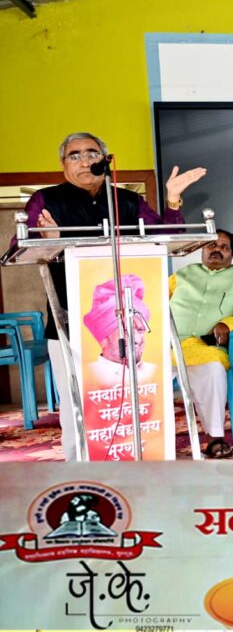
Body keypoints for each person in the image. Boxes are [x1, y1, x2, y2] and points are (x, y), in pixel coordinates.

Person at [16, 132, 205, 461]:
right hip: (69, 323)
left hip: (132, 322)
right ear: (63, 165)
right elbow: (19, 249)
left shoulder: (126, 201)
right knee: (78, 405)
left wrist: (173, 200)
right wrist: (50, 241)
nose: (84, 161)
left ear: (104, 159)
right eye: (75, 155)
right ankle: (81, 471)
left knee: (138, 399)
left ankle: (142, 464)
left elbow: (164, 237)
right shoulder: (45, 201)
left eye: (92, 153)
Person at [169, 230, 233, 458]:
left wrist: (228, 324)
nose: (217, 250)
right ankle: (147, 439)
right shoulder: (181, 275)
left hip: (204, 348)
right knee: (142, 373)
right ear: (201, 249)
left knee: (214, 371)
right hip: (167, 344)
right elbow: (153, 302)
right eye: (211, 245)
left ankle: (215, 438)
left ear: (232, 254)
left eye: (224, 247)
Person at [82, 275, 157, 386]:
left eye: (141, 330)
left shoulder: (157, 373)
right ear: (103, 339)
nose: (136, 339)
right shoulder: (87, 376)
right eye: (126, 331)